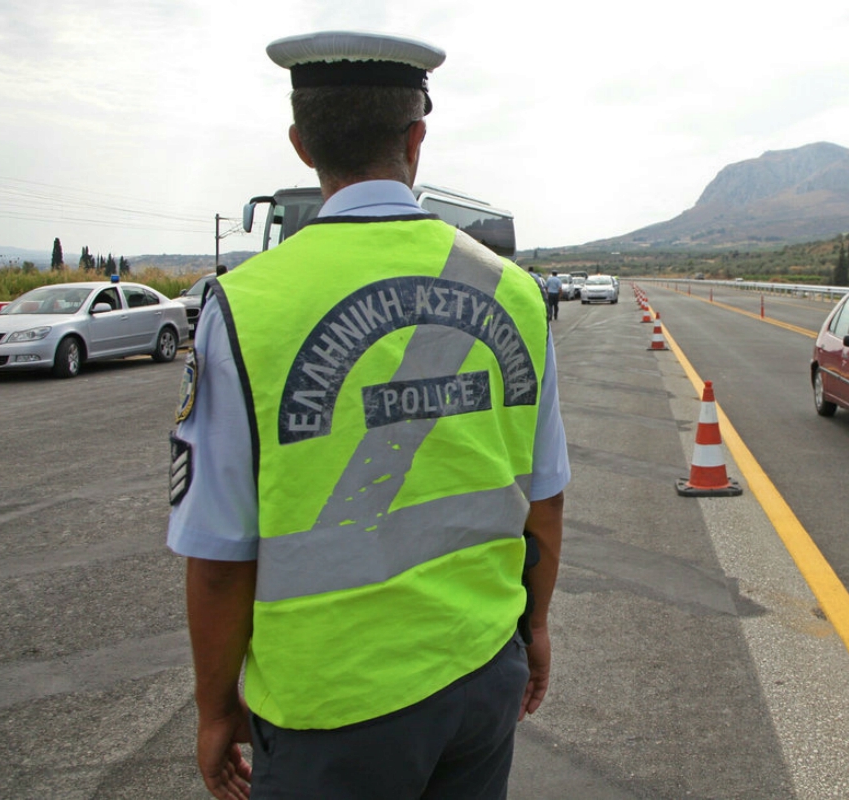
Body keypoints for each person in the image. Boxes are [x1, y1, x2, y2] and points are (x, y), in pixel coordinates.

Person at [166, 30, 569, 800]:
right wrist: (536, 626)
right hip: (482, 670)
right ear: (416, 139)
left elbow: (218, 556)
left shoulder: (246, 307)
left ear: (300, 144)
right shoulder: (513, 293)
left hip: (331, 711)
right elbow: (543, 501)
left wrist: (216, 708)